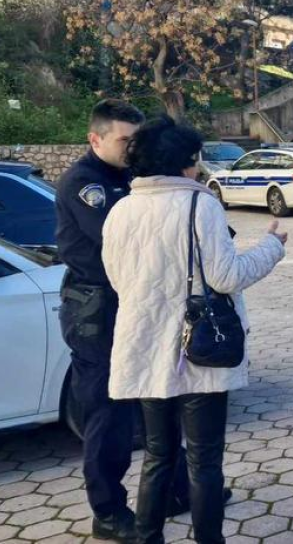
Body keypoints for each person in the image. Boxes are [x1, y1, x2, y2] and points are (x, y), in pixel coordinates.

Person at [102, 117, 287, 544]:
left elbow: (117, 280)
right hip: (200, 349)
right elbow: (226, 276)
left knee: (157, 455)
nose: (199, 168)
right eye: (195, 159)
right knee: (203, 462)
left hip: (145, 347)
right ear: (182, 163)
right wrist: (271, 247)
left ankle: (147, 537)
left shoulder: (120, 210)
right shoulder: (200, 205)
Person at [56, 99, 176, 542]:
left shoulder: (129, 177)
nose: (132, 148)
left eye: (136, 140)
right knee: (108, 415)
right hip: (97, 309)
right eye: (124, 140)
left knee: (159, 398)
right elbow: (124, 238)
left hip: (134, 303)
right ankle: (107, 512)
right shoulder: (84, 183)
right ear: (96, 138)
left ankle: (174, 491)